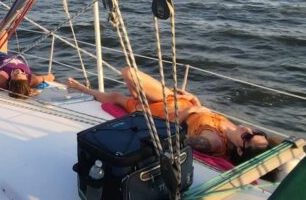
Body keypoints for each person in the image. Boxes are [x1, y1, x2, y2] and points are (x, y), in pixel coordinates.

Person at [65, 68, 270, 163]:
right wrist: (195, 101)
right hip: (175, 99)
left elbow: (175, 137)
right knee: (129, 72)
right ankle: (137, 94)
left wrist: (190, 111)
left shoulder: (213, 143)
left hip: (163, 113)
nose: (248, 130)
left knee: (118, 97)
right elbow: (206, 117)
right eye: (254, 131)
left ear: (241, 151)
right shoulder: (234, 130)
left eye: (248, 137)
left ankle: (83, 89)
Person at [0, 32, 54, 98]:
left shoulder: (2, 79)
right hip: (18, 59)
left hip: (0, 57)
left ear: (10, 81)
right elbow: (50, 77)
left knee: (3, 34)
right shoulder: (32, 79)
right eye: (23, 73)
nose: (19, 70)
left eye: (16, 74)